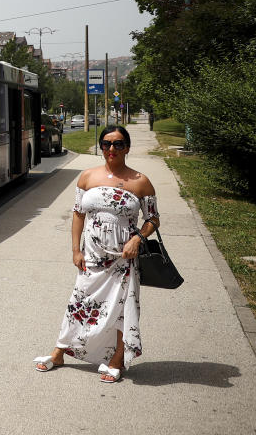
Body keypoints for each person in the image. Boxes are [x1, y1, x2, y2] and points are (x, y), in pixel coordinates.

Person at [33, 125, 161, 383]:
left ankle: (117, 359)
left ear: (127, 147)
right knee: (79, 302)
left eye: (118, 144)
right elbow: (79, 213)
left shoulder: (140, 181)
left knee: (120, 307)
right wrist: (75, 249)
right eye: (106, 144)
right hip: (92, 255)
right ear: (100, 146)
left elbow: (153, 219)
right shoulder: (87, 177)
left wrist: (138, 238)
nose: (112, 149)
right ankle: (59, 352)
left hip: (123, 257)